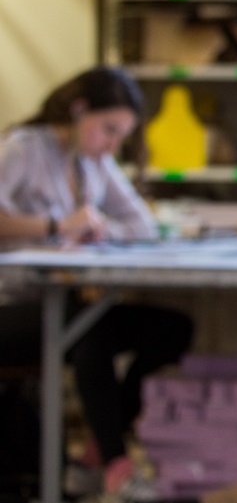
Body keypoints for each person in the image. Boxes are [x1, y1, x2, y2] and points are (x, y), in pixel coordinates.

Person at [0, 66, 193, 498]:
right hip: (9, 308)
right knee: (90, 326)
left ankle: (95, 454)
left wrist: (100, 228)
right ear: (79, 109)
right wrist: (55, 225)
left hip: (59, 306)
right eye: (108, 129)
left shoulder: (93, 162)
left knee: (172, 329)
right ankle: (116, 464)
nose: (112, 143)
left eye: (121, 135)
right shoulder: (22, 149)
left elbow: (141, 226)